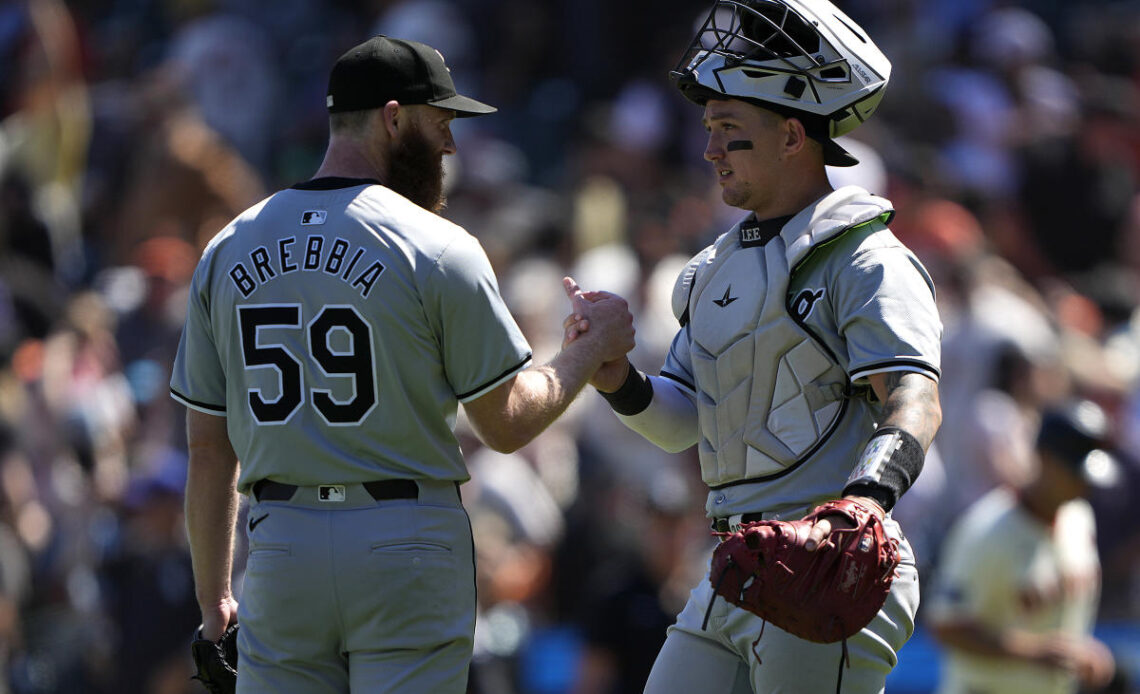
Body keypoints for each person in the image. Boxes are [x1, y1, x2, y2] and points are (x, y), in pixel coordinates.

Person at [169, 35, 634, 694]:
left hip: (282, 547)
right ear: (393, 118)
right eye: (439, 122)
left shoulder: (229, 246)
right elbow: (504, 424)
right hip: (404, 540)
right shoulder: (438, 247)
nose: (448, 145)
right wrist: (588, 350)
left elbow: (207, 445)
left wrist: (215, 601)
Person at [566, 1, 942, 692]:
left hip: (829, 565)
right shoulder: (711, 270)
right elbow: (680, 423)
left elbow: (916, 397)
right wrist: (616, 374)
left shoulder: (866, 258)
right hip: (737, 562)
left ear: (793, 135)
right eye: (709, 129)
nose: (709, 149)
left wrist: (865, 502)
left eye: (729, 131)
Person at [926, 399, 1119, 694]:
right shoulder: (986, 531)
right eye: (1075, 473)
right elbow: (945, 624)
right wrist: (1031, 651)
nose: (1085, 485)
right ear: (1044, 458)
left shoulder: (1079, 517)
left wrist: (1082, 651)